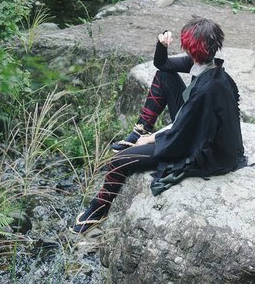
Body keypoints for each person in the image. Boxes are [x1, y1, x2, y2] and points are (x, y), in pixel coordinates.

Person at [70, 16, 245, 235]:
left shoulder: (208, 89)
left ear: (192, 48)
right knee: (164, 76)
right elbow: (162, 65)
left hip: (205, 151)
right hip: (194, 126)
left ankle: (99, 210)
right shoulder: (206, 65)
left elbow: (182, 134)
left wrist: (152, 139)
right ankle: (141, 128)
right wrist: (161, 46)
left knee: (119, 161)